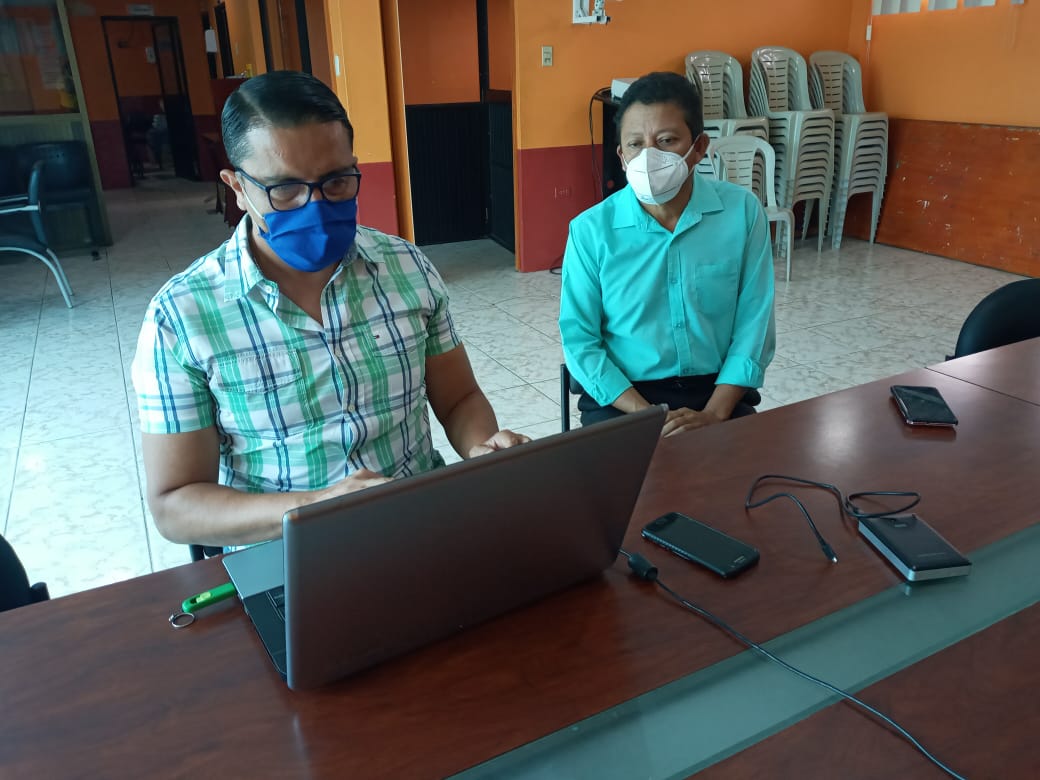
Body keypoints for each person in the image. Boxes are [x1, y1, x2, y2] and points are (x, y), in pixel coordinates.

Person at [132, 71, 527, 548]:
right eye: (284, 189)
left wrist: (480, 448)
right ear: (237, 187)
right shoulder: (181, 318)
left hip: (419, 525)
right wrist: (313, 507)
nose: (315, 206)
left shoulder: (407, 269)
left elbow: (460, 397)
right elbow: (175, 505)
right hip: (282, 552)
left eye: (337, 182)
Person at [559, 71, 775, 436]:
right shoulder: (591, 231)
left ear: (699, 147)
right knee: (633, 473)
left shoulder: (742, 213)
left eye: (667, 140)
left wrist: (714, 414)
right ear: (621, 156)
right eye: (635, 144)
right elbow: (580, 341)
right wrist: (649, 417)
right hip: (625, 397)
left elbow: (754, 324)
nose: (649, 157)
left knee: (746, 470)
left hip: (717, 390)